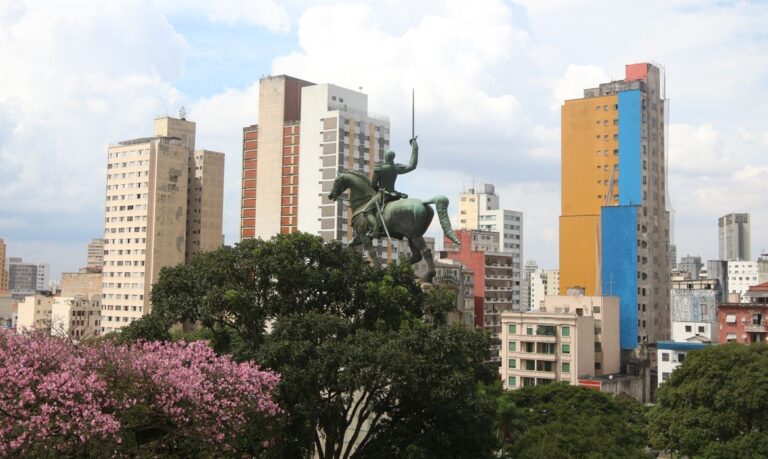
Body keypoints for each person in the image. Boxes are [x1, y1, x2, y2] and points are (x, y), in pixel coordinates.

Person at [364, 136, 418, 237]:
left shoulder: (379, 168)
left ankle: (375, 230)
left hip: (382, 195)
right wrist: (415, 147)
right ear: (393, 158)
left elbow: (374, 184)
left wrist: (377, 189)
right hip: (395, 195)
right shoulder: (396, 168)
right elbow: (412, 165)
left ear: (385, 157)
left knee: (366, 211)